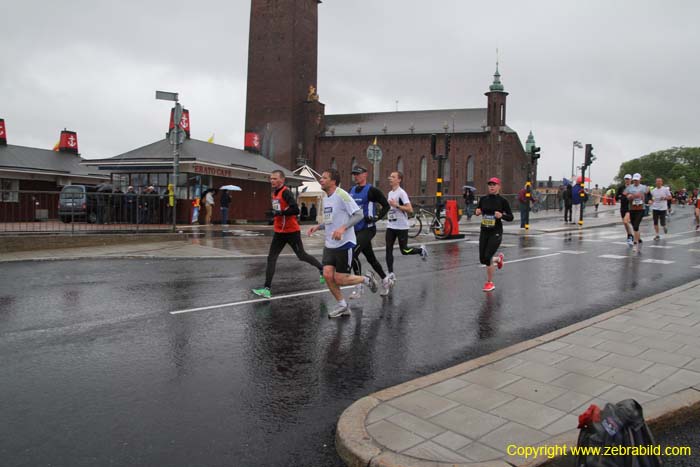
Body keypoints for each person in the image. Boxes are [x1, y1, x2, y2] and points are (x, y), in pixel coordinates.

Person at [307, 168, 378, 318]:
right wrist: (318, 226)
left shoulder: (342, 194)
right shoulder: (326, 197)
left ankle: (367, 279)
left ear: (333, 181)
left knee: (339, 278)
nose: (321, 180)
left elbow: (359, 214)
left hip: (344, 244)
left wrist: (343, 228)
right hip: (329, 244)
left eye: (325, 178)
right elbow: (330, 220)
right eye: (321, 178)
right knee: (327, 275)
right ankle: (342, 306)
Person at [251, 170, 325, 299]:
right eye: (271, 178)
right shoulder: (275, 193)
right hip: (279, 232)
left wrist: (281, 213)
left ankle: (322, 269)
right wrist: (273, 214)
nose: (272, 181)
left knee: (301, 255)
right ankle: (267, 289)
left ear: (282, 180)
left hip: (291, 232)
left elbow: (295, 209)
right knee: (271, 258)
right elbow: (280, 209)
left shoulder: (286, 192)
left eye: (274, 178)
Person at [348, 165, 391, 298]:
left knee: (353, 254)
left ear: (365, 174)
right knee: (371, 258)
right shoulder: (351, 190)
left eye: (358, 174)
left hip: (368, 229)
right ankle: (385, 280)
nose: (356, 176)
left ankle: (359, 286)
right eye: (354, 174)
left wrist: (376, 218)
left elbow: (386, 206)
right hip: (355, 229)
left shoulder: (372, 190)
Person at [385, 171, 428, 282]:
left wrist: (397, 205)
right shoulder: (390, 193)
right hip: (391, 226)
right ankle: (391, 273)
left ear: (399, 180)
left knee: (404, 250)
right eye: (390, 176)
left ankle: (420, 250)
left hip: (402, 227)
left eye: (393, 177)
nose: (390, 178)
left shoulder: (401, 193)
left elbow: (410, 209)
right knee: (388, 249)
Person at [474, 177, 514, 292]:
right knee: (483, 259)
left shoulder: (502, 201)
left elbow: (511, 217)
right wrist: (476, 212)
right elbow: (477, 210)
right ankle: (498, 259)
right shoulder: (483, 199)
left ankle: (489, 283)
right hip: (484, 230)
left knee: (487, 257)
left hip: (496, 232)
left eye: (494, 184)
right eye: (490, 184)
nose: (491, 186)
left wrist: (502, 216)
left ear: (499, 187)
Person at [624, 173, 648, 253]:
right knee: (634, 225)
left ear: (640, 180)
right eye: (634, 180)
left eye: (637, 180)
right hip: (632, 209)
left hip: (641, 209)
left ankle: (635, 243)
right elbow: (625, 195)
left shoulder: (644, 187)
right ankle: (638, 238)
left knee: (636, 226)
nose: (635, 181)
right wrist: (629, 197)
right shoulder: (629, 187)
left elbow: (649, 194)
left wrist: (649, 199)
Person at [616, 174, 634, 246]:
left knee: (626, 221)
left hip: (630, 207)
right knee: (625, 223)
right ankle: (629, 235)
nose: (627, 180)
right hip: (622, 207)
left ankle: (631, 236)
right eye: (626, 179)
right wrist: (619, 197)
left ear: (631, 180)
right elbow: (616, 197)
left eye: (628, 179)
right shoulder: (621, 188)